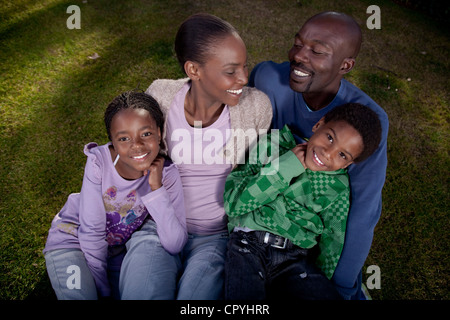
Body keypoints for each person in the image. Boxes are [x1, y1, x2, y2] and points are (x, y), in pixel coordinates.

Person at [119, 13, 272, 299]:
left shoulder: (256, 108)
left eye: (244, 66)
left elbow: (257, 175)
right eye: (230, 70)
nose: (243, 78)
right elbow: (134, 149)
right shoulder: (161, 96)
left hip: (216, 237)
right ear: (194, 69)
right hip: (160, 224)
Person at [248, 11, 389, 299]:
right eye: (298, 44)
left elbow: (364, 209)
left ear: (345, 65)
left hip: (315, 233)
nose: (299, 56)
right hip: (259, 219)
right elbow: (243, 151)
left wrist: (342, 286)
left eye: (317, 51)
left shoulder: (366, 121)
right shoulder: (266, 79)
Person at [224, 103, 382, 300]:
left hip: (296, 258)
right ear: (318, 125)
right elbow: (234, 204)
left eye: (342, 155)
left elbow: (332, 241)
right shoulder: (273, 144)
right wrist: (285, 168)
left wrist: (323, 283)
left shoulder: (338, 187)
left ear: (349, 163)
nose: (328, 153)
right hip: (247, 246)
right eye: (330, 138)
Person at [43, 92, 187, 299]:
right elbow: (91, 231)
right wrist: (102, 289)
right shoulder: (98, 162)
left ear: (158, 131)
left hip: (116, 251)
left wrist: (157, 189)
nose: (136, 145)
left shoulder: (167, 174)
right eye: (124, 138)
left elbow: (175, 243)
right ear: (112, 141)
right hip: (71, 241)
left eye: (145, 134)